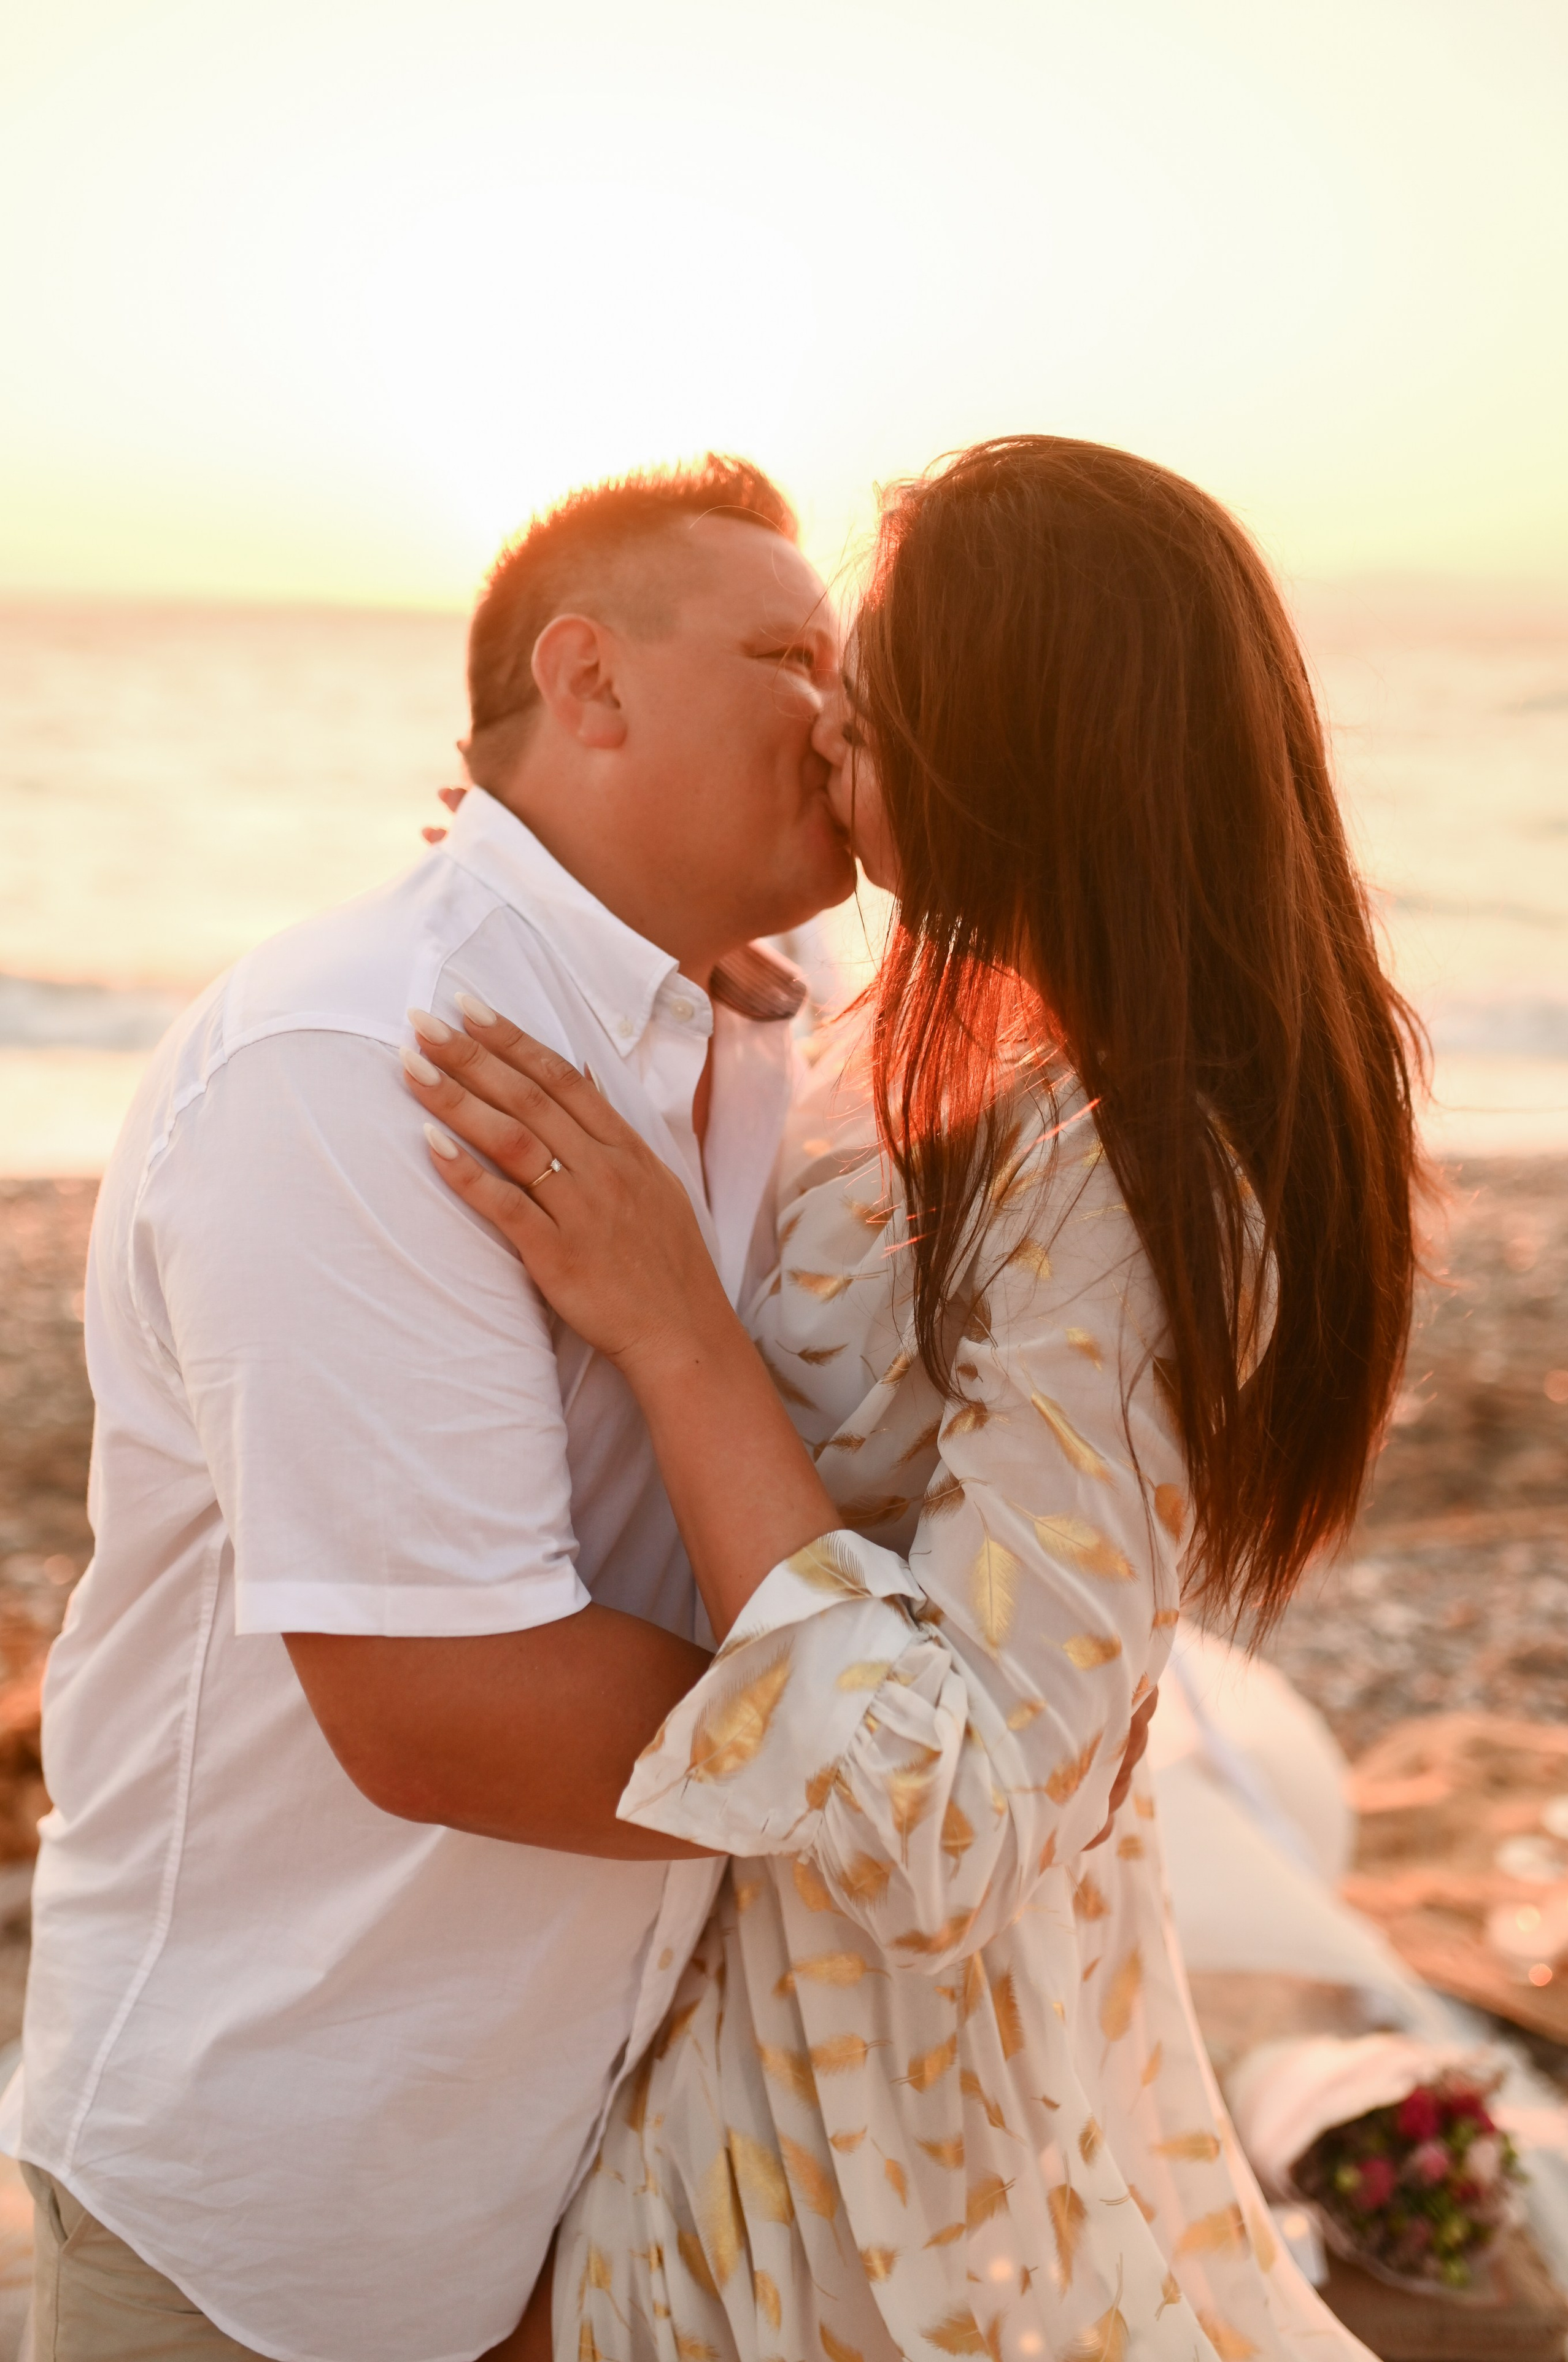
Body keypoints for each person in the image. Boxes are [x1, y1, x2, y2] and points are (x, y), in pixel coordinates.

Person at [401, 436, 1422, 2361]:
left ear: (1020, 764)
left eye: (863, 720)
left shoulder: (1133, 1181)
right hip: (727, 1998)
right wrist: (576, 868)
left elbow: (952, 1820)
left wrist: (680, 1339)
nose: (818, 747)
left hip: (876, 2111)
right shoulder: (922, 1027)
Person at [4, 457, 860, 2362]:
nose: (848, 708)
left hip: (587, 2175)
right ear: (592, 682)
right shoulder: (369, 1062)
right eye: (796, 653)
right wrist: (922, 1758)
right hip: (283, 2199)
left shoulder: (790, 1026)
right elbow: (451, 1713)